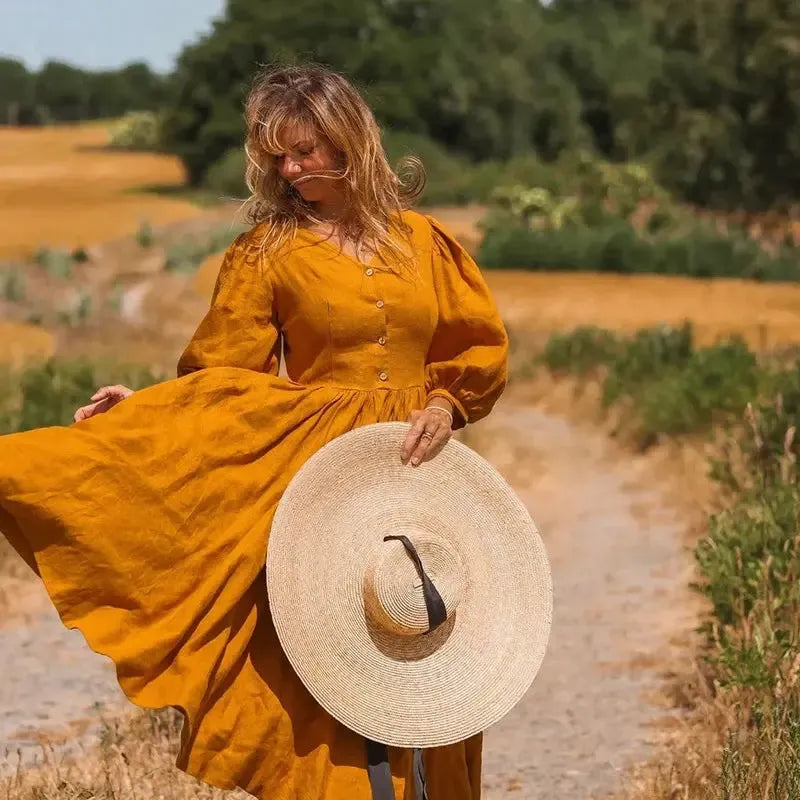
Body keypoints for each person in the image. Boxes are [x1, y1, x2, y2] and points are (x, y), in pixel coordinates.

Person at [0, 64, 508, 799]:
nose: (289, 169)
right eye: (277, 154)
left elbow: (474, 351)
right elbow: (223, 376)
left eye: (303, 149)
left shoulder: (427, 244)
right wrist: (147, 408)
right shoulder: (267, 252)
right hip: (314, 476)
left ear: (349, 138)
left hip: (419, 472)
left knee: (424, 638)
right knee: (334, 665)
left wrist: (446, 406)